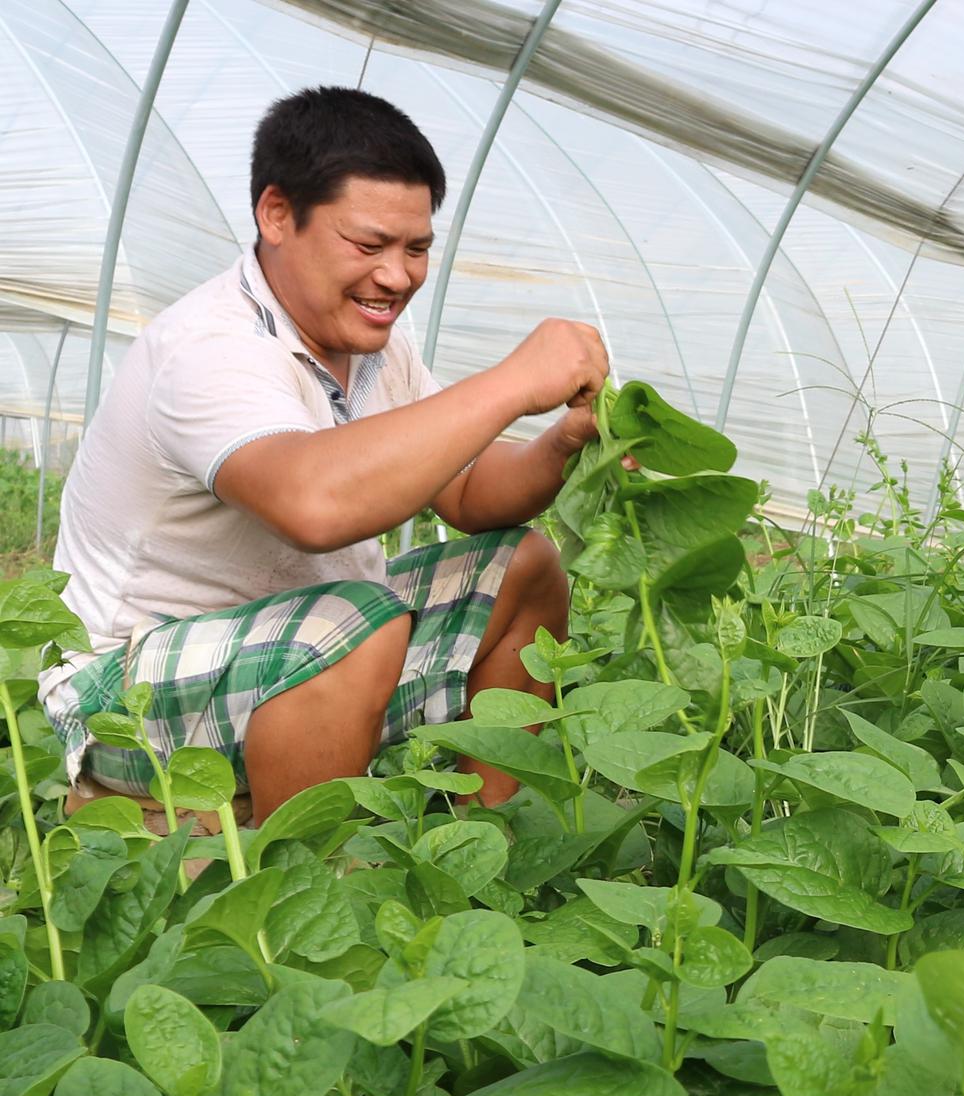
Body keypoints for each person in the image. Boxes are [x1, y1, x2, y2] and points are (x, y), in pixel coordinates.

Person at [41, 86, 608, 821]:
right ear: (277, 214)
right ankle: (308, 883)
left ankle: (494, 850)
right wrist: (510, 383)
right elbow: (314, 504)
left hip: (314, 650)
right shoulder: (213, 348)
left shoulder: (375, 352)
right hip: (127, 695)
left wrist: (560, 441)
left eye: (417, 249)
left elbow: (468, 491)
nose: (398, 276)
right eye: (369, 246)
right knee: (353, 623)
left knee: (523, 567)